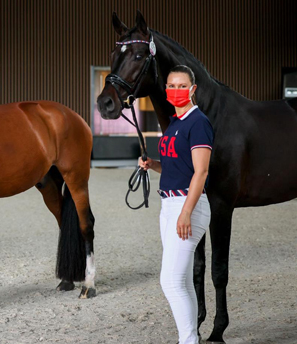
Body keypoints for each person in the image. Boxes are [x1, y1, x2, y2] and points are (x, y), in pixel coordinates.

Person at [138, 65, 213, 344]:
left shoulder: (198, 122)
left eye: (183, 86)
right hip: (169, 205)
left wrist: (186, 212)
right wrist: (152, 164)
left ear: (193, 90)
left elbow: (201, 172)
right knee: (180, 281)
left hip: (187, 205)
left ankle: (188, 341)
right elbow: (175, 166)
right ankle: (191, 337)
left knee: (169, 281)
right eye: (172, 85)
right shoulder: (174, 123)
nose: (176, 91)